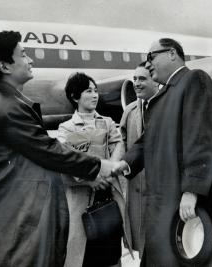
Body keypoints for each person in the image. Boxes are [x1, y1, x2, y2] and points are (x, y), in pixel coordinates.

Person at [0, 31, 114, 267]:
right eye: (23, 55)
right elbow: (50, 151)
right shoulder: (7, 108)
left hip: (4, 227)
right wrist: (100, 166)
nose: (31, 60)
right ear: (5, 66)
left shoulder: (1, 102)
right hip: (10, 235)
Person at [112, 38, 212, 266]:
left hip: (183, 202)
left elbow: (203, 138)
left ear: (172, 53)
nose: (148, 64)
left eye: (151, 57)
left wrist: (192, 191)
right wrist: (126, 163)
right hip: (164, 204)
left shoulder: (195, 80)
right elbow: (149, 140)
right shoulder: (165, 96)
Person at [57, 72, 132, 267]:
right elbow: (65, 160)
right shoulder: (66, 128)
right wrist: (91, 178)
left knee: (111, 246)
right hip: (81, 195)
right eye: (88, 91)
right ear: (75, 97)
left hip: (107, 191)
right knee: (85, 250)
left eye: (96, 91)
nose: (95, 95)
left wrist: (111, 169)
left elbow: (119, 145)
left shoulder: (107, 122)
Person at [119, 62, 159, 258]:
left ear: (156, 81)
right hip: (136, 187)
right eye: (134, 79)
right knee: (142, 245)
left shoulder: (167, 108)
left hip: (161, 191)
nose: (136, 83)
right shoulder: (130, 111)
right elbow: (122, 143)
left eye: (142, 79)